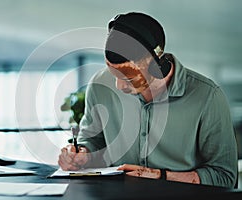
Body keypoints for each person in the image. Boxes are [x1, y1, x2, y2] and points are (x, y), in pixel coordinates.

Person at [58, 12, 238, 188]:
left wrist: (160, 176)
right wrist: (82, 153)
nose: (118, 86)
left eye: (129, 78)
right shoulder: (99, 84)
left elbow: (225, 176)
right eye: (113, 72)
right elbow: (92, 140)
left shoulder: (207, 96)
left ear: (157, 67)